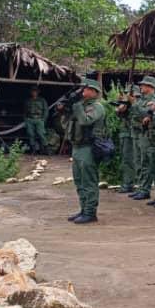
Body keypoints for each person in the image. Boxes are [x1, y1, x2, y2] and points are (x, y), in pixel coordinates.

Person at [63, 79, 107, 225]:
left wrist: (77, 107)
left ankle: (90, 212)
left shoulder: (97, 107)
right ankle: (83, 209)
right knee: (79, 181)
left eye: (86, 89)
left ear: (94, 92)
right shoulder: (80, 105)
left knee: (89, 181)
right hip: (77, 147)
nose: (83, 91)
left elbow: (85, 121)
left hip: (89, 147)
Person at [129, 77, 155, 200]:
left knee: (146, 162)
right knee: (139, 161)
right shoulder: (141, 100)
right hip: (138, 133)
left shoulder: (154, 101)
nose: (141, 87)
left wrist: (134, 104)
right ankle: (141, 187)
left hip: (148, 134)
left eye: (143, 85)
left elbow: (145, 114)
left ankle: (145, 189)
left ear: (150, 87)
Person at [113, 87, 136, 193]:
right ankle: (126, 182)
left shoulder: (135, 106)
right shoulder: (127, 106)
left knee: (128, 160)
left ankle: (128, 184)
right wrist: (120, 104)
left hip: (130, 135)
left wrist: (130, 105)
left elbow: (134, 117)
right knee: (124, 160)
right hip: (124, 134)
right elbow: (119, 114)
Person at [24, 86, 48, 155]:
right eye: (32, 91)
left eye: (35, 91)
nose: (34, 93)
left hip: (39, 119)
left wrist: (43, 119)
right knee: (31, 134)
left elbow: (46, 110)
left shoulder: (42, 100)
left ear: (38, 92)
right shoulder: (28, 100)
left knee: (41, 134)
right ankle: (33, 150)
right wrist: (26, 119)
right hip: (30, 119)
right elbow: (25, 111)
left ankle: (45, 149)